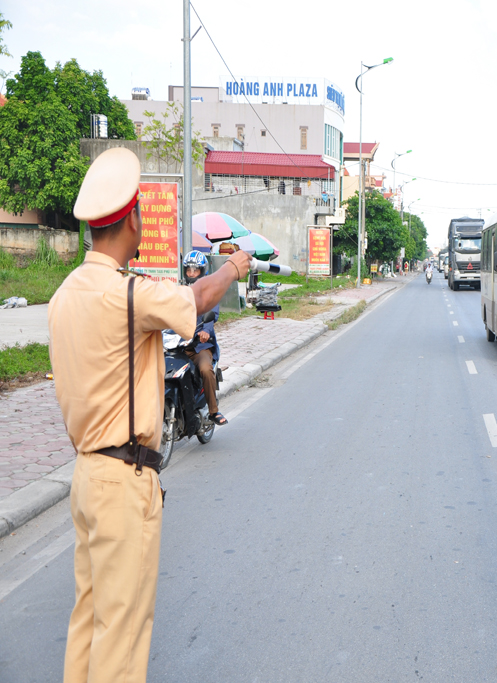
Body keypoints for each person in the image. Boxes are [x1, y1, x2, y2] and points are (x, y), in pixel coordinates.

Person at [49, 147, 252, 683]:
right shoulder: (125, 294)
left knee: (89, 620)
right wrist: (234, 264)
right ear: (133, 218)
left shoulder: (65, 294)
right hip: (122, 480)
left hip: (86, 475)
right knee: (123, 631)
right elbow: (198, 296)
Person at [182, 251, 227, 425]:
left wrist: (205, 331)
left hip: (199, 346)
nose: (192, 274)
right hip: (179, 346)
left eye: (196, 270)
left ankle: (213, 411)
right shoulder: (179, 291)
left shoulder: (209, 294)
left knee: (206, 369)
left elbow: (212, 313)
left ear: (203, 271)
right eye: (189, 270)